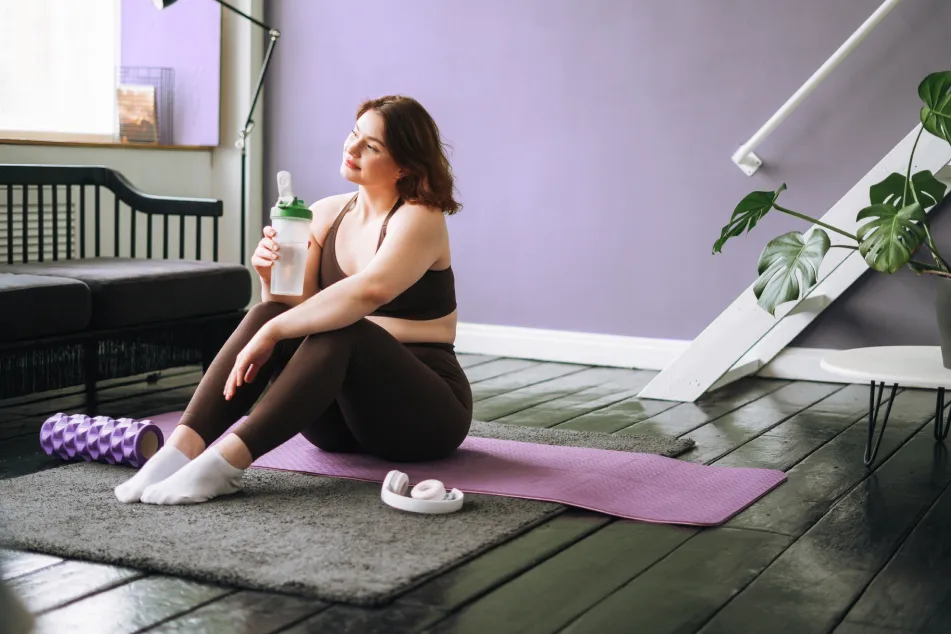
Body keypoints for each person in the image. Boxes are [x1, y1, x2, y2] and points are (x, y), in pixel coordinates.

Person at [114, 95, 472, 505]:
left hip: (423, 416)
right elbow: (296, 306)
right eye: (354, 135)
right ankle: (176, 453)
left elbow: (367, 291)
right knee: (272, 310)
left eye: (370, 147)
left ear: (405, 165)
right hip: (337, 421)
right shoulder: (325, 214)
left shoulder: (419, 216)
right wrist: (269, 276)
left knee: (337, 329)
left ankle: (223, 466)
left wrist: (275, 329)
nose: (351, 149)